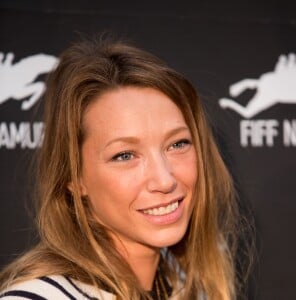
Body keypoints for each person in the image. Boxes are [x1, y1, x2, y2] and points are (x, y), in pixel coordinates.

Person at [0, 37, 251, 300]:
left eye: (177, 144)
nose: (164, 180)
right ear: (73, 177)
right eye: (125, 155)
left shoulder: (188, 286)